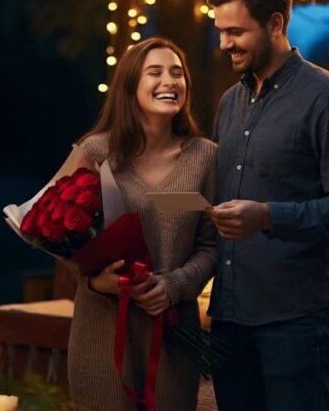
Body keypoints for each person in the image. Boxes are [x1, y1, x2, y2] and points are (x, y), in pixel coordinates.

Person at [206, 0, 329, 410]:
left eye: (236, 31)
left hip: (297, 321)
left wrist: (267, 215)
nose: (225, 44)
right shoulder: (229, 102)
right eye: (221, 32)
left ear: (275, 23)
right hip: (230, 318)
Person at [68, 37, 218, 410]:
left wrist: (176, 284)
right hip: (102, 333)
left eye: (177, 73)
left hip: (173, 338)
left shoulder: (205, 157)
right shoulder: (95, 152)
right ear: (130, 86)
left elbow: (214, 244)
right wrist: (90, 278)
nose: (170, 81)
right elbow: (50, 228)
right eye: (155, 72)